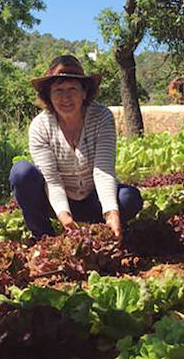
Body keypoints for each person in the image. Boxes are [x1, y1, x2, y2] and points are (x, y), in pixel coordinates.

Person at [9, 55, 143, 241]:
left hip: (93, 198)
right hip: (55, 201)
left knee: (129, 198)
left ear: (84, 92)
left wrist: (111, 212)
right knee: (21, 172)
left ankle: (106, 229)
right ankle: (44, 238)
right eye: (58, 90)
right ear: (48, 95)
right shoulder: (40, 126)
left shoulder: (101, 117)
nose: (66, 97)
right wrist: (65, 217)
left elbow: (103, 171)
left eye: (72, 88)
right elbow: (52, 180)